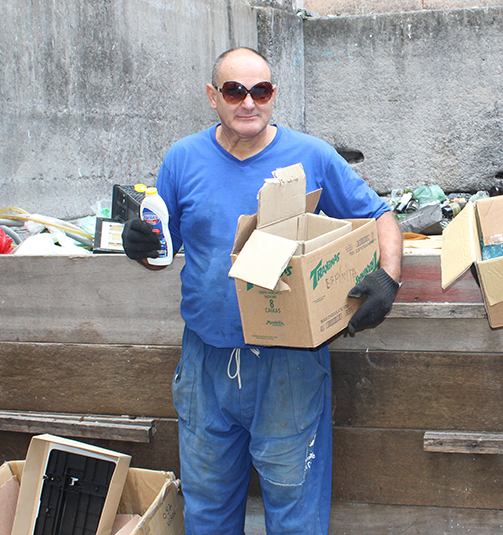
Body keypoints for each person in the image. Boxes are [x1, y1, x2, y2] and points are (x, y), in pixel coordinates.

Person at [121, 47, 402, 535]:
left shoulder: (310, 154)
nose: (249, 102)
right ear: (213, 96)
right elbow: (162, 244)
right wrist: (138, 244)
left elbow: (380, 215)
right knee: (207, 509)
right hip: (206, 361)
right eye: (235, 91)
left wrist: (388, 279)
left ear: (274, 94)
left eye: (262, 90)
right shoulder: (183, 158)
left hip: (288, 363)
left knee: (294, 512)